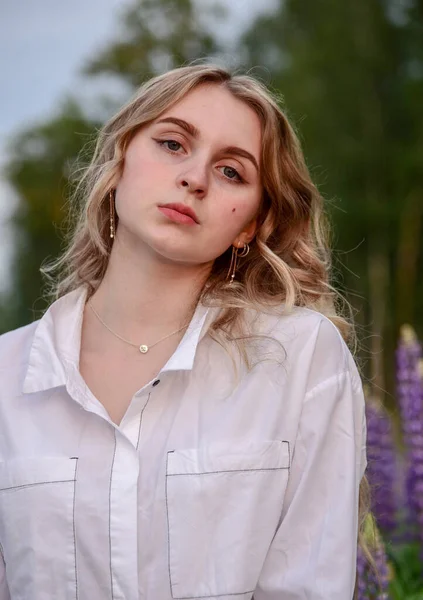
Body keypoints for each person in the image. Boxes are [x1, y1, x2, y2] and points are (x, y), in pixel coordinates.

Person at [0, 64, 368, 599]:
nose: (195, 177)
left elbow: (309, 585)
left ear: (250, 225)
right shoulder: (7, 379)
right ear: (119, 161)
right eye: (173, 144)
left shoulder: (300, 359)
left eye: (231, 172)